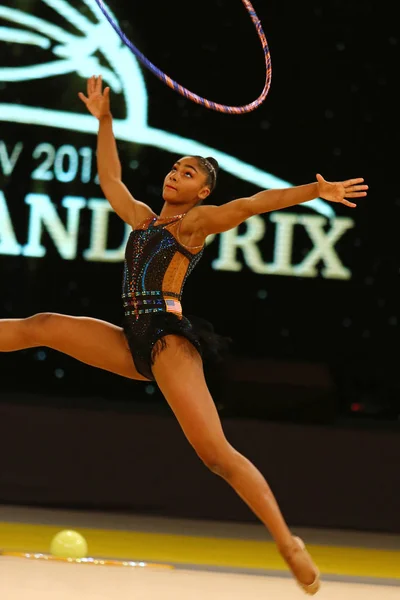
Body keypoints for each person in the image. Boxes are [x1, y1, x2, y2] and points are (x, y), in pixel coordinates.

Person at [0, 76, 368, 595]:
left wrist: (315, 191)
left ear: (202, 192)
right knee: (44, 326)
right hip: (133, 338)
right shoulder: (144, 221)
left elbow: (253, 205)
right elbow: (110, 180)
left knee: (216, 455)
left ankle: (288, 542)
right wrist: (104, 121)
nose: (176, 174)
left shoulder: (193, 226)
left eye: (188, 172)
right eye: (175, 168)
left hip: (168, 340)